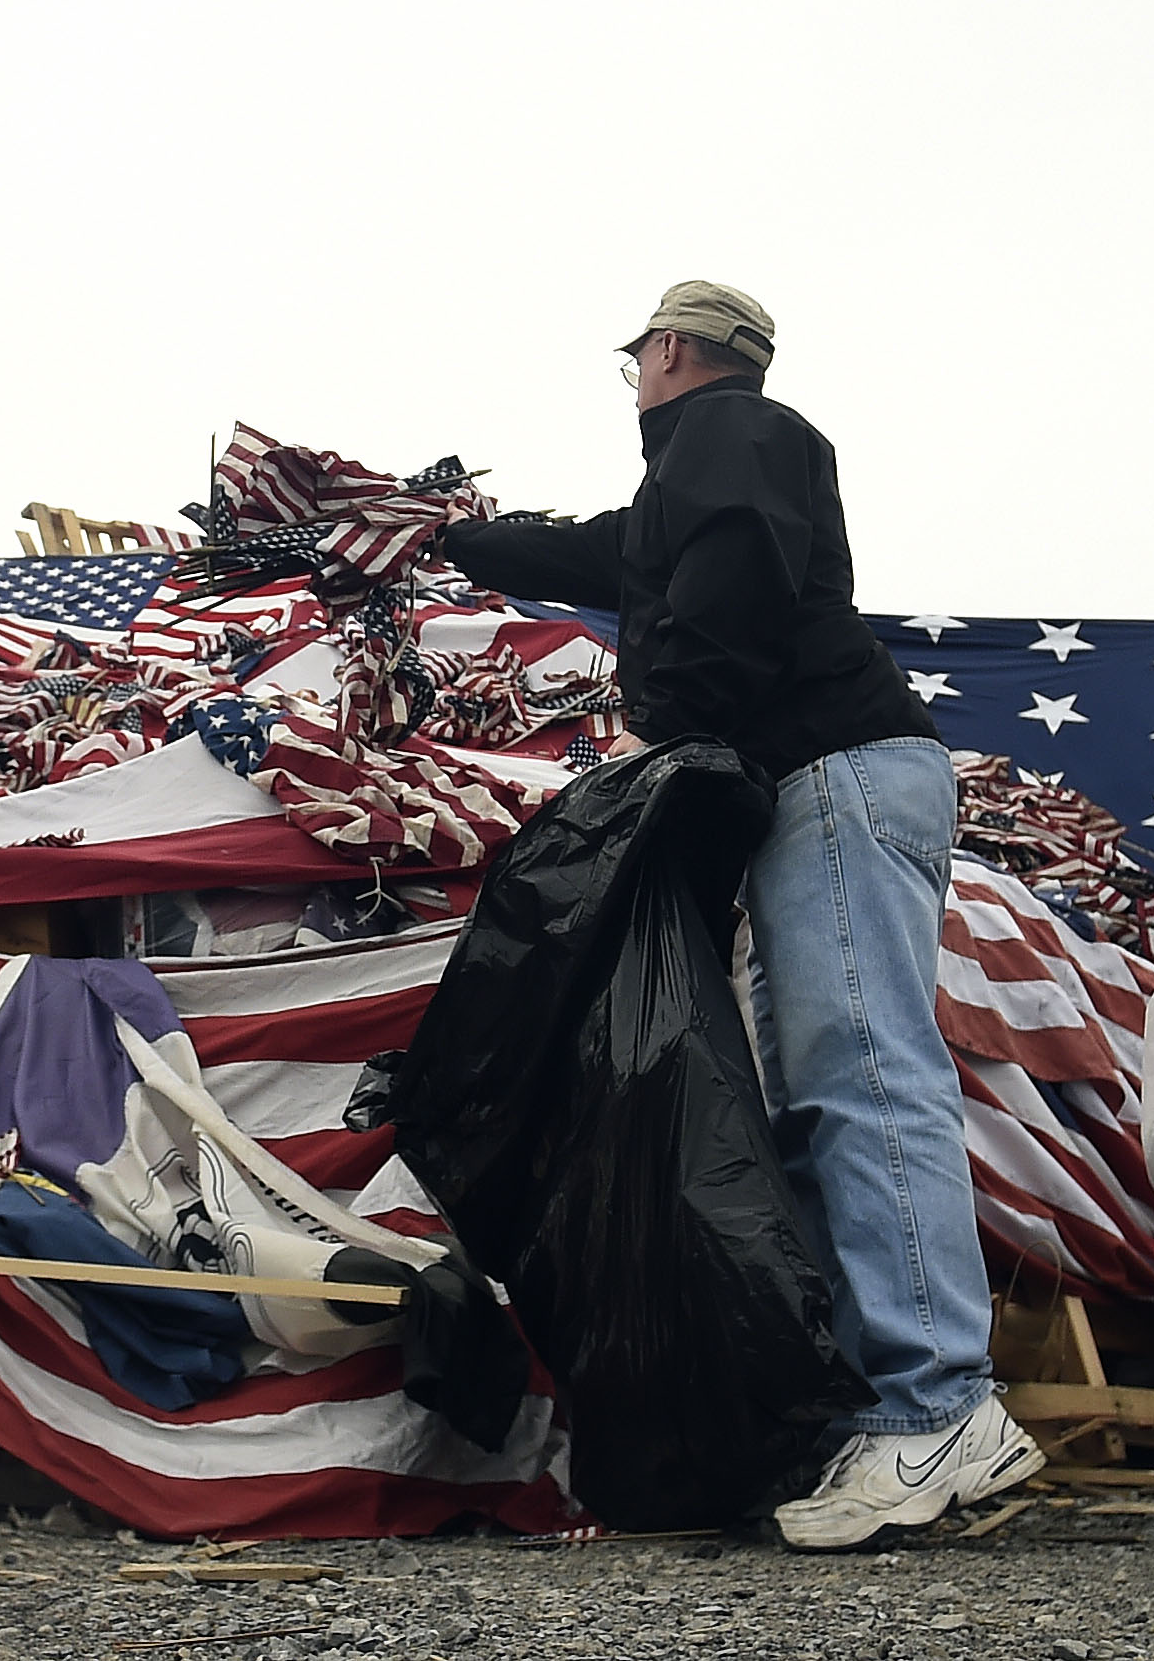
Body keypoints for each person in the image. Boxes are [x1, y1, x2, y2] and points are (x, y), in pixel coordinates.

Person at [439, 281, 1038, 1551]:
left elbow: (727, 584)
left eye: (635, 365)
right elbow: (619, 551)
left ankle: (939, 1404)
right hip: (819, 787)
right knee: (815, 1087)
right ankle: (885, 1410)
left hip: (833, 767)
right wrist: (462, 540)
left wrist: (658, 723)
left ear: (665, 353)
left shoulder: (735, 436)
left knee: (861, 1071)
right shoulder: (704, 469)